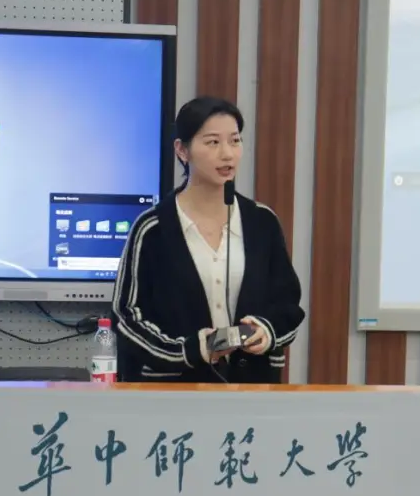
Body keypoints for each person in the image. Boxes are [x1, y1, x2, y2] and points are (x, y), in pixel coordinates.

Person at [111, 96, 305, 383]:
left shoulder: (262, 222)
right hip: (174, 390)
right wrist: (190, 350)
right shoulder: (152, 228)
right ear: (182, 150)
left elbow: (287, 304)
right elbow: (126, 317)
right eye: (213, 142)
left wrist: (265, 330)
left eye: (235, 141)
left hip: (252, 389)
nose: (227, 154)